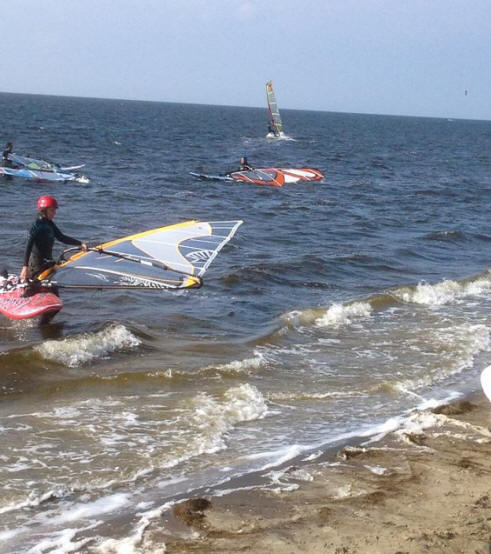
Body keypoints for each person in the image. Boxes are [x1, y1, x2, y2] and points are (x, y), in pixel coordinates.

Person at [19, 195, 87, 282]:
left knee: (55, 283)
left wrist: (80, 243)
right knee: (41, 287)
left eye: (55, 210)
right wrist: (25, 267)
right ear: (44, 210)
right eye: (52, 210)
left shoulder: (49, 223)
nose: (54, 213)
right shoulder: (37, 224)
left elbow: (61, 237)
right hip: (36, 266)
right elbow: (29, 245)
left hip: (48, 263)